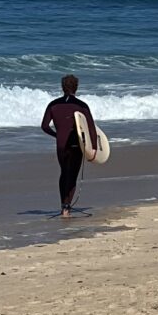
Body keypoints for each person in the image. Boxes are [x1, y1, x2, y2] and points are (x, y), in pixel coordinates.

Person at [41, 74, 97, 218]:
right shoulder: (81, 106)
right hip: (76, 145)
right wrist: (94, 148)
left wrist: (57, 135)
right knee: (72, 176)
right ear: (76, 87)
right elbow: (91, 128)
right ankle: (66, 209)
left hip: (61, 145)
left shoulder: (53, 105)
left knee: (64, 173)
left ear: (62, 87)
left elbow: (44, 126)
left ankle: (62, 206)